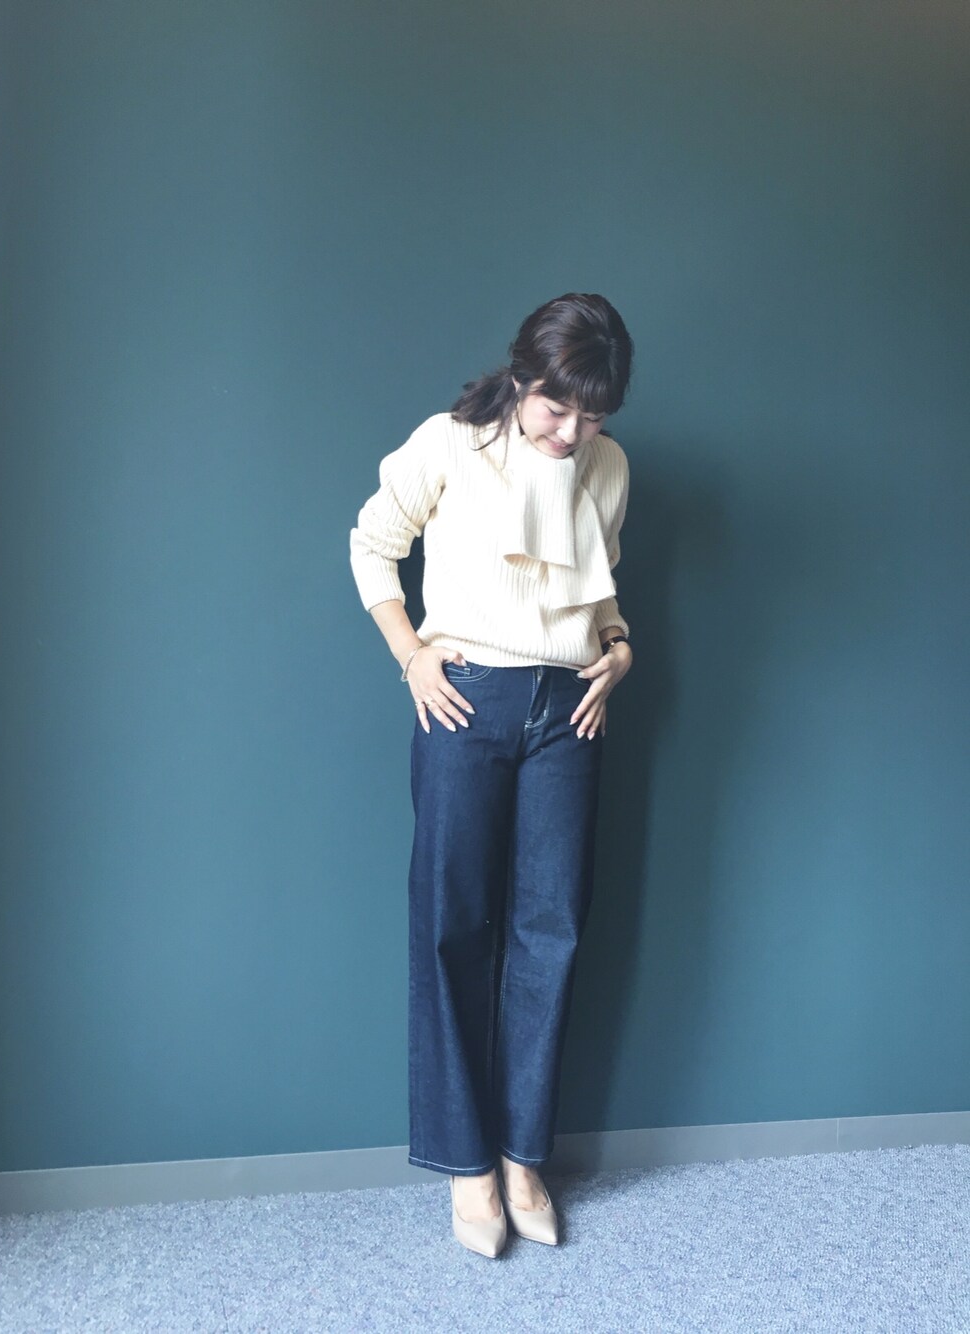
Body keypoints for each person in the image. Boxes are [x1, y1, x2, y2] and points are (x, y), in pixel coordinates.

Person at [349, 293, 634, 1257]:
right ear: (522, 377)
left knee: (552, 931)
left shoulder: (608, 465)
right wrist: (412, 656)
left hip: (571, 708)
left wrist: (620, 648)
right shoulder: (448, 444)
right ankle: (466, 1163)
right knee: (453, 927)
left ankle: (522, 1156)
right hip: (465, 700)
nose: (571, 432)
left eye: (593, 414)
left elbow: (599, 585)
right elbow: (373, 544)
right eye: (558, 407)